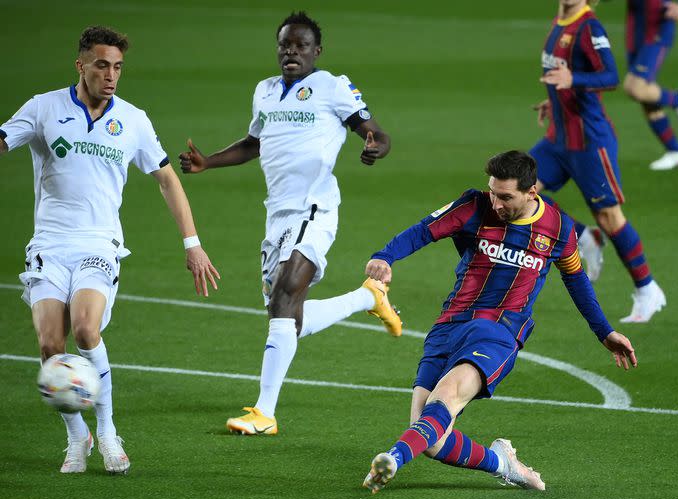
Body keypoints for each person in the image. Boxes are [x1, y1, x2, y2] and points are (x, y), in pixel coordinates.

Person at [0, 26, 220, 474]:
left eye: (118, 67)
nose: (111, 75)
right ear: (81, 65)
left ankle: (107, 431)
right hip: (49, 245)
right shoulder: (44, 108)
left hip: (100, 245)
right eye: (102, 65)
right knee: (49, 346)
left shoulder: (133, 120)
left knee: (84, 330)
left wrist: (192, 244)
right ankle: (76, 439)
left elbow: (166, 179)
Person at [361, 150, 637, 494]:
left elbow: (576, 280)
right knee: (428, 437)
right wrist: (384, 257)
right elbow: (423, 231)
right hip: (449, 325)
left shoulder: (558, 228)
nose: (497, 202)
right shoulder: (474, 206)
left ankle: (393, 458)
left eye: (505, 196)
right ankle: (503, 463)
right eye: (493, 191)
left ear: (531, 193)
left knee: (445, 398)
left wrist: (604, 331)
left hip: (499, 332)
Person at [179, 11, 400, 436]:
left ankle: (264, 413)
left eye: (300, 45)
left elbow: (377, 133)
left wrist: (376, 148)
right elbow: (253, 144)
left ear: (317, 51)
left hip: (314, 207)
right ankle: (367, 298)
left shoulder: (332, 87)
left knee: (282, 297)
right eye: (285, 45)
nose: (291, 52)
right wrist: (209, 162)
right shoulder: (264, 92)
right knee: (288, 319)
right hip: (276, 213)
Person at [531, 0, 666, 322]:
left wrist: (573, 80)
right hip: (557, 138)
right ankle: (582, 237)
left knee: (610, 217)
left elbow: (610, 75)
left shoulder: (589, 26)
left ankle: (647, 289)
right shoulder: (561, 21)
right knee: (522, 192)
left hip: (590, 142)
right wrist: (554, 102)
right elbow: (561, 76)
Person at [623, 0, 678, 171]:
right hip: (636, 28)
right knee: (645, 94)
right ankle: (675, 150)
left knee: (636, 87)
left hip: (658, 25)